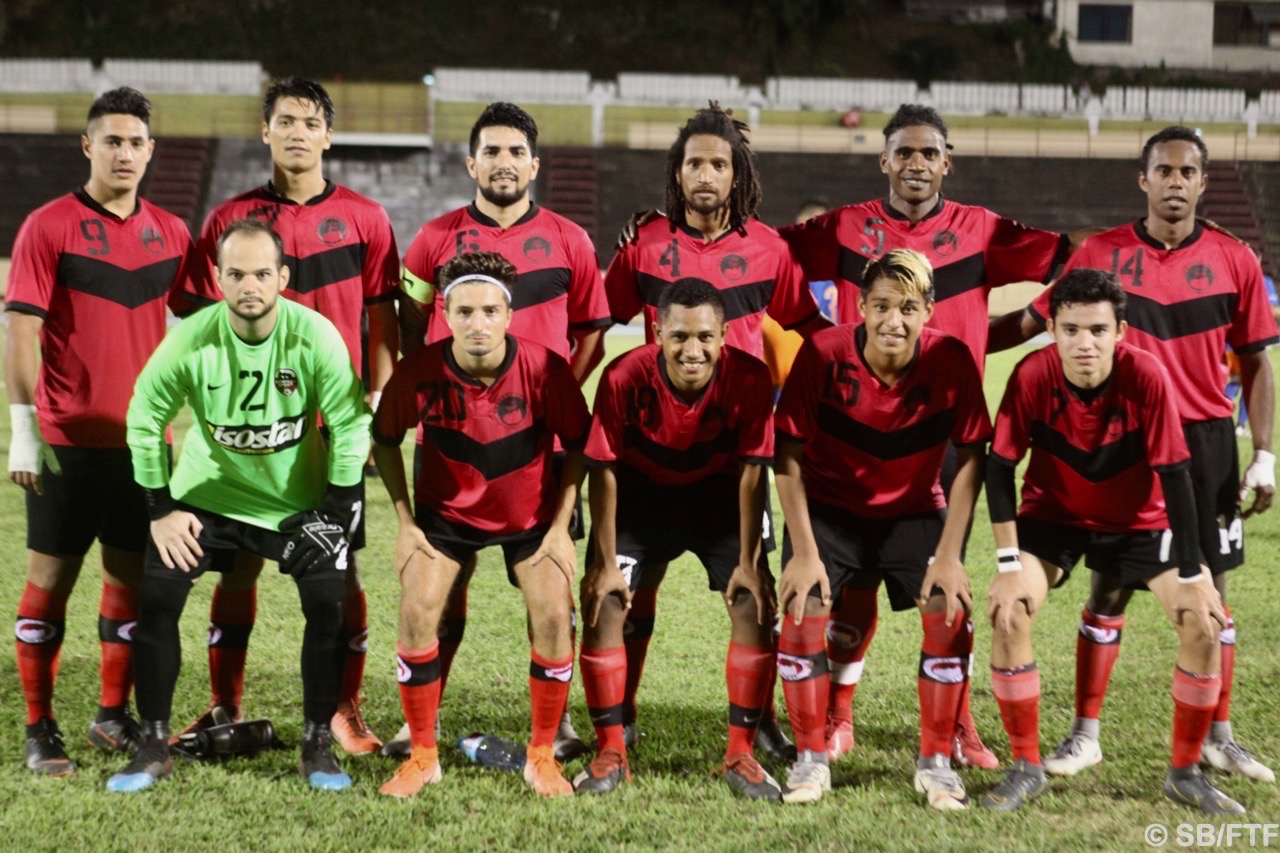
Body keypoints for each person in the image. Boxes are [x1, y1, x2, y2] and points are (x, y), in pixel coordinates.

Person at [778, 103, 1080, 768]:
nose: (916, 164)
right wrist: (816, 333)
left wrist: (1021, 326)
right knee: (851, 586)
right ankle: (838, 713)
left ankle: (959, 725)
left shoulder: (983, 230)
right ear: (884, 160)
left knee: (947, 588)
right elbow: (765, 255)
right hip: (855, 426)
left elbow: (1074, 258)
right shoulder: (845, 226)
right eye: (905, 153)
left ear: (948, 162)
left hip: (943, 432)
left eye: (929, 153)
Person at [994, 126, 1279, 784]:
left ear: (1203, 183)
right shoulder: (1102, 252)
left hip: (1202, 441)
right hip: (1118, 433)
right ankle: (1084, 733)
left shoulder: (1236, 258)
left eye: (1188, 172)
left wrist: (1264, 453)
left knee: (1209, 590)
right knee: (1110, 582)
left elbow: (1258, 362)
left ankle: (1219, 737)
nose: (1176, 181)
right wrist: (954, 342)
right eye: (1164, 170)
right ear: (1143, 179)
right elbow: (1034, 321)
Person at [177, 77, 400, 755]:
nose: (297, 132)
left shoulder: (366, 218)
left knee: (341, 570)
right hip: (250, 433)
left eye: (309, 122)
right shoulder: (228, 219)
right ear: (265, 131)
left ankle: (343, 709)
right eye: (284, 121)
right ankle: (224, 704)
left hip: (331, 431)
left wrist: (375, 407)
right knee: (237, 568)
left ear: (329, 135)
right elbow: (197, 322)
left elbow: (384, 323)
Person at [110, 217, 371, 792]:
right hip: (207, 497)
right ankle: (153, 744)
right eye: (236, 275)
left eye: (261, 274)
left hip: (295, 503)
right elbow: (144, 417)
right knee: (158, 599)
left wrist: (336, 510)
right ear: (218, 278)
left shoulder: (316, 335)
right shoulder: (190, 338)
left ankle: (316, 744)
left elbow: (351, 423)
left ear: (283, 277)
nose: (249, 286)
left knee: (327, 605)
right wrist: (160, 509)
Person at [603, 102, 828, 762]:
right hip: (649, 454)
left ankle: (758, 722)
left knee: (754, 594)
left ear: (737, 174)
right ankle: (621, 715)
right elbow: (597, 316)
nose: (706, 174)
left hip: (737, 463)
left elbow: (812, 333)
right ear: (677, 173)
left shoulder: (769, 250)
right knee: (628, 592)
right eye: (694, 163)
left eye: (719, 164)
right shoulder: (645, 244)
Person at [385, 101, 609, 761]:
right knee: (441, 585)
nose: (503, 163)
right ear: (471, 163)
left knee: (549, 586)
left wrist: (550, 397)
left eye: (516, 152)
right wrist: (438, 391)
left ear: (534, 164)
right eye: (492, 152)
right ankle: (420, 717)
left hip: (538, 448)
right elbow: (410, 324)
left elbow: (592, 333)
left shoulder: (571, 239)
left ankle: (557, 723)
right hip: (450, 440)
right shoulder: (432, 239)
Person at [982, 268, 1242, 815]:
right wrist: (1007, 564)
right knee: (1008, 611)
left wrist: (1193, 575)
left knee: (1203, 621)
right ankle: (1026, 768)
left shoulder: (1146, 374)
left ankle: (1185, 774)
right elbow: (1000, 468)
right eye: (1071, 329)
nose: (1085, 343)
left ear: (1120, 331)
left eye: (1098, 330)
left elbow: (1176, 476)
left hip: (1140, 521)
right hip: (1054, 516)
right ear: (1051, 329)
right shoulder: (1032, 374)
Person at [5, 87, 192, 775]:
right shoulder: (48, 226)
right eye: (111, 140)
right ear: (88, 146)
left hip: (143, 447)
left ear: (150, 150)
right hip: (66, 444)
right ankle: (39, 726)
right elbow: (20, 332)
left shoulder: (172, 233)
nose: (124, 153)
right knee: (49, 581)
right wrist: (24, 429)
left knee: (129, 582)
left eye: (135, 142)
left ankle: (112, 716)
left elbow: (207, 327)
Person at [772, 248, 991, 807]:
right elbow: (787, 454)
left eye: (909, 308)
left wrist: (950, 555)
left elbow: (972, 458)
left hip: (913, 509)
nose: (894, 320)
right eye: (883, 306)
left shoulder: (952, 360)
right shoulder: (823, 353)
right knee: (801, 608)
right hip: (829, 509)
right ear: (862, 307)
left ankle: (936, 763)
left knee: (949, 609)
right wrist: (803, 552)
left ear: (929, 311)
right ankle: (809, 760)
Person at [372, 251, 590, 798]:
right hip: (445, 516)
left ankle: (542, 756)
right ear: (444, 314)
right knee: (417, 610)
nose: (477, 324)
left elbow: (581, 447)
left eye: (490, 311)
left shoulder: (546, 369)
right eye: (464, 312)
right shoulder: (418, 372)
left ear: (508, 315)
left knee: (553, 613)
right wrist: (406, 523)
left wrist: (560, 528)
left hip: (531, 518)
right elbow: (384, 440)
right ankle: (423, 756)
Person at [577, 280, 779, 800]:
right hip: (641, 494)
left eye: (706, 337)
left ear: (725, 335)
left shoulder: (751, 377)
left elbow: (754, 471)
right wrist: (604, 561)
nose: (693, 350)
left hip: (720, 496)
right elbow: (603, 470)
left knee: (754, 601)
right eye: (680, 337)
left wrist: (751, 561)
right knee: (604, 603)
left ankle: (741, 753)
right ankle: (611, 749)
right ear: (657, 332)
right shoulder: (623, 376)